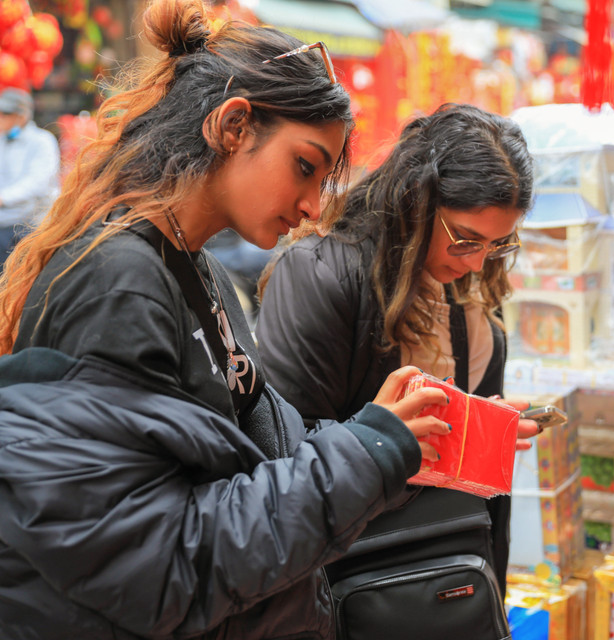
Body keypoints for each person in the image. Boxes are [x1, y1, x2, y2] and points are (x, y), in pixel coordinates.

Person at [0, 1, 453, 638]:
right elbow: (157, 564)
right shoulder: (116, 284)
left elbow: (260, 452)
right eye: (304, 166)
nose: (312, 205)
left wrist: (400, 435)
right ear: (233, 126)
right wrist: (368, 450)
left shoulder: (195, 266)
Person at [256, 103, 537, 638]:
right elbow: (282, 453)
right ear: (415, 203)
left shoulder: (472, 300)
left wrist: (480, 429)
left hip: (453, 578)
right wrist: (389, 442)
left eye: (499, 244)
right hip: (350, 590)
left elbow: (471, 484)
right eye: (465, 239)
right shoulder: (321, 277)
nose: (478, 262)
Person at [0, 87, 60, 263]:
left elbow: (37, 183)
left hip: (29, 225)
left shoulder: (42, 141)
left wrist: (3, 198)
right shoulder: (2, 140)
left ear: (22, 116)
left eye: (5, 113)